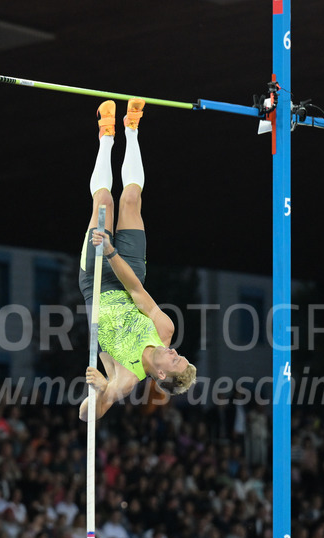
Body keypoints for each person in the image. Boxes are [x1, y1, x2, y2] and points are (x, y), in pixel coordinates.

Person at [78, 98, 196, 421]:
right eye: (180, 356)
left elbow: (86, 415)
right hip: (128, 273)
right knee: (130, 199)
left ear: (161, 376)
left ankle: (105, 135)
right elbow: (136, 292)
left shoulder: (127, 378)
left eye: (175, 362)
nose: (174, 352)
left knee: (103, 201)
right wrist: (113, 252)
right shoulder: (165, 329)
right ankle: (131, 129)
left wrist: (103, 389)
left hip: (97, 283)